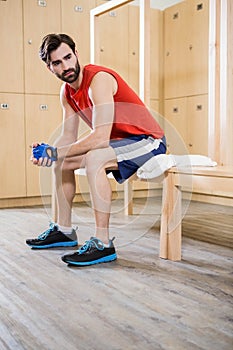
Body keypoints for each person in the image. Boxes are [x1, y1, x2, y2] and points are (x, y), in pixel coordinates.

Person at [26, 33, 166, 266]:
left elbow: (100, 138)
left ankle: (103, 243)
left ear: (76, 54)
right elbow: (68, 136)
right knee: (62, 162)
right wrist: (50, 152)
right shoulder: (67, 93)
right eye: (57, 63)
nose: (66, 66)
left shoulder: (98, 80)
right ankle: (64, 230)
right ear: (50, 68)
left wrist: (57, 152)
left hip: (147, 140)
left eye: (68, 57)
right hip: (117, 143)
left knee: (95, 158)